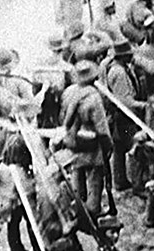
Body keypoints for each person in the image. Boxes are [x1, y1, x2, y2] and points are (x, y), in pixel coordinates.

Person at [59, 60, 113, 218]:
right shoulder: (94, 97)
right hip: (91, 143)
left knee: (77, 173)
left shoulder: (69, 92)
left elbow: (63, 117)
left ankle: (78, 207)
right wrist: (107, 146)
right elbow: (101, 127)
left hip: (73, 141)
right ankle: (93, 210)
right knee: (95, 179)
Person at [105, 40, 149, 191]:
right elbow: (125, 101)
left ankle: (120, 180)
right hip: (124, 116)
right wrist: (144, 105)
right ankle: (138, 185)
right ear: (123, 56)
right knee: (135, 147)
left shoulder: (116, 68)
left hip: (119, 116)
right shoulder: (119, 73)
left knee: (119, 149)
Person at [32, 33, 75, 131]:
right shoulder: (67, 68)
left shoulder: (39, 68)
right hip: (58, 108)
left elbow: (34, 90)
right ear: (61, 51)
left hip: (47, 109)